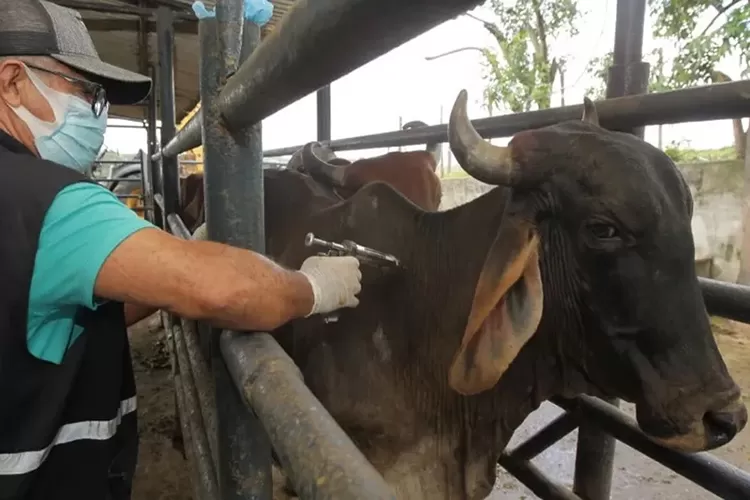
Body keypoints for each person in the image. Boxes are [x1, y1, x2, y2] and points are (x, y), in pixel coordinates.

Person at [0, 2, 362, 499]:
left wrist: (175, 263)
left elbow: (37, 316)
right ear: (13, 82)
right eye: (84, 90)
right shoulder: (49, 202)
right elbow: (226, 289)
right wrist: (315, 287)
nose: (94, 109)